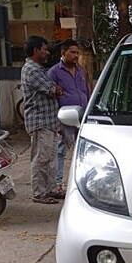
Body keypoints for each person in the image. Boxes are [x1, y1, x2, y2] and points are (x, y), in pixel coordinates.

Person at [21, 36, 64, 204]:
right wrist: (57, 89)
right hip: (40, 122)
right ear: (35, 50)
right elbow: (53, 90)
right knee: (41, 158)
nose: (47, 52)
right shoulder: (32, 69)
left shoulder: (38, 69)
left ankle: (50, 189)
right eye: (44, 49)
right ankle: (39, 193)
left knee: (50, 158)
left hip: (49, 122)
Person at [47, 39, 90, 192]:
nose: (76, 55)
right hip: (64, 117)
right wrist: (56, 121)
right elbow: (50, 97)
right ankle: (58, 184)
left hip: (82, 116)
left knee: (84, 149)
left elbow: (87, 90)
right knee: (61, 151)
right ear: (63, 53)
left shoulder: (81, 70)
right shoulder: (54, 72)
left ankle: (84, 182)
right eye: (72, 52)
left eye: (77, 52)